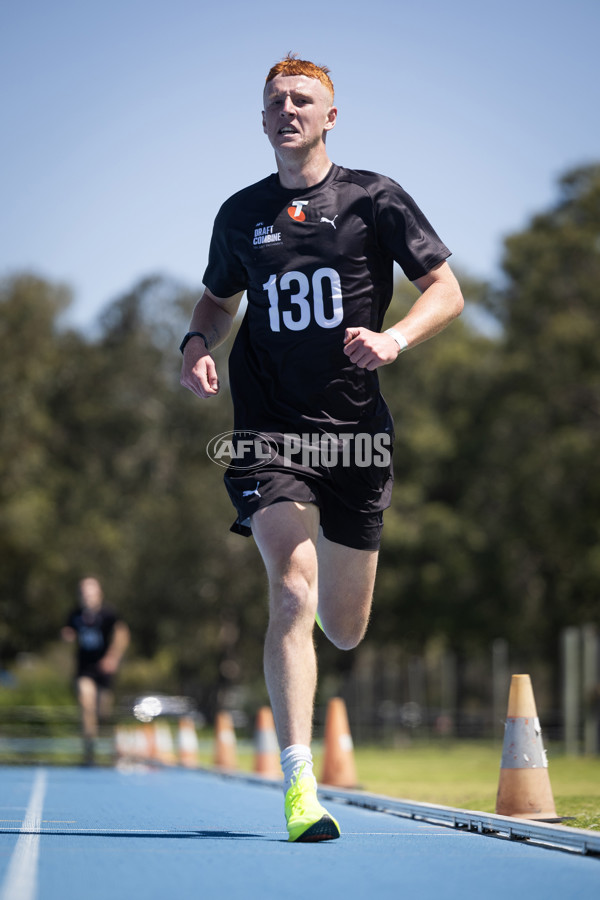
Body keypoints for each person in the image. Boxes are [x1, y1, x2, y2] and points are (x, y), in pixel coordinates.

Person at [180, 54, 464, 841]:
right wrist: (197, 342)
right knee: (293, 587)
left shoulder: (374, 198)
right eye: (275, 100)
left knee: (343, 625)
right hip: (269, 430)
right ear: (262, 118)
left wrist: (396, 338)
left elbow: (447, 289)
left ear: (331, 116)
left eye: (303, 99)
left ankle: (314, 709)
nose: (288, 108)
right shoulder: (241, 214)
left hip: (357, 441)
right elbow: (217, 295)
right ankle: (300, 783)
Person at [61, 576, 130, 765]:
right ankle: (88, 752)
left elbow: (123, 635)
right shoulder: (75, 614)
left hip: (104, 669)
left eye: (90, 593)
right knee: (86, 701)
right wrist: (67, 635)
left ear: (99, 594)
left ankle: (110, 748)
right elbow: (69, 631)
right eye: (83, 593)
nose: (87, 597)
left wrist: (112, 658)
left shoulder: (109, 614)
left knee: (103, 712)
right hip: (84, 668)